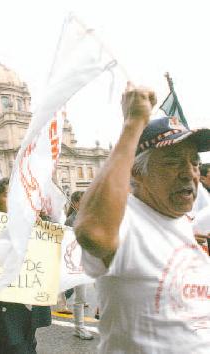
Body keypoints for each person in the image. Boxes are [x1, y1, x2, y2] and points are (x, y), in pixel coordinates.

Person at [75, 83, 210, 353]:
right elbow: (93, 232)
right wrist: (133, 124)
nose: (189, 173)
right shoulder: (125, 222)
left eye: (193, 162)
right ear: (137, 172)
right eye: (172, 161)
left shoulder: (183, 221)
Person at [0, 178, 51, 354]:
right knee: (12, 347)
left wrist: (40, 230)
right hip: (1, 303)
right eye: (8, 195)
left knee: (28, 345)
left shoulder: (29, 223)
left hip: (25, 302)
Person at [65, 191, 94, 340]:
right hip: (78, 262)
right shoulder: (71, 220)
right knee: (81, 297)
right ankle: (79, 327)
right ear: (76, 203)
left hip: (91, 260)